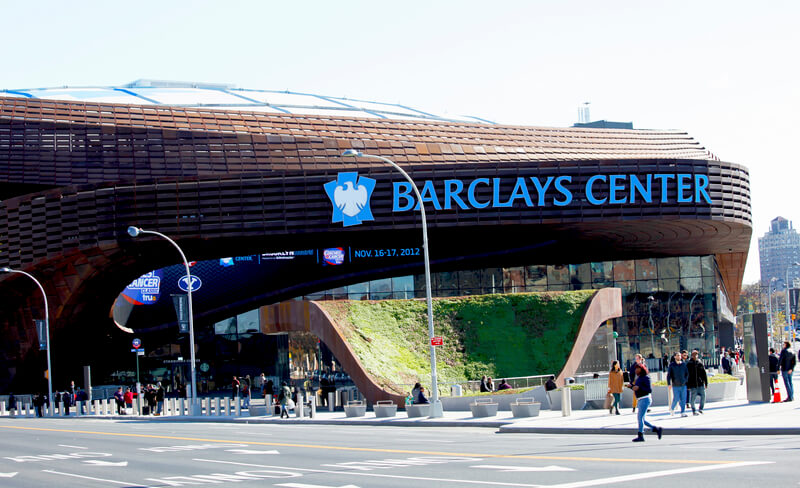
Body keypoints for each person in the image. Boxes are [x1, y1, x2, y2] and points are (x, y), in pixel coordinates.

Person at [630, 365, 663, 442]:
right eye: (636, 369)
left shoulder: (645, 377)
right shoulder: (639, 378)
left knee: (640, 418)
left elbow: (649, 389)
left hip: (645, 399)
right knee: (642, 419)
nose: (636, 370)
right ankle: (656, 429)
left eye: (637, 369)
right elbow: (637, 388)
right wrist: (632, 387)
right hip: (641, 399)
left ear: (642, 369)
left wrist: (638, 388)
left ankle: (640, 435)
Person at [687, 350, 708, 415]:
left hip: (700, 383)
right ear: (692, 355)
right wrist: (688, 385)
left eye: (696, 354)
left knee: (703, 396)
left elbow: (704, 373)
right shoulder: (689, 364)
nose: (695, 356)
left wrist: (706, 382)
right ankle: (694, 410)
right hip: (693, 385)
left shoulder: (700, 363)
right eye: (694, 354)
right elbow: (687, 375)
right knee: (693, 399)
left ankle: (701, 409)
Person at [667, 352, 688, 417]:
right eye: (677, 355)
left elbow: (687, 374)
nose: (679, 357)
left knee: (683, 399)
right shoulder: (672, 365)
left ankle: (683, 412)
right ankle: (672, 409)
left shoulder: (684, 364)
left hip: (683, 385)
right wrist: (669, 384)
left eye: (679, 355)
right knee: (676, 398)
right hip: (675, 385)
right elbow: (669, 375)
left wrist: (685, 381)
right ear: (675, 357)